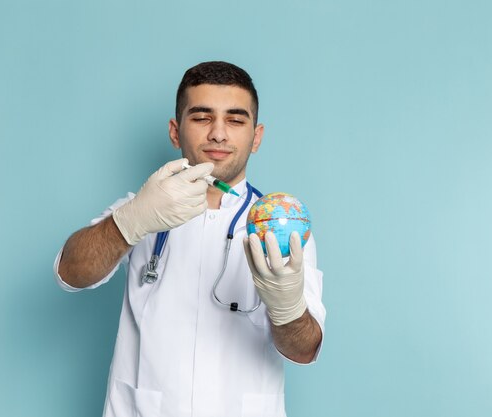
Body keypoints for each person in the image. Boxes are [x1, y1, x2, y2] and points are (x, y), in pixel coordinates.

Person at [54, 61, 326, 417]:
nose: (218, 133)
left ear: (256, 136)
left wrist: (287, 306)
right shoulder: (142, 209)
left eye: (235, 119)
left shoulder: (280, 227)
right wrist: (131, 220)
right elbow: (69, 273)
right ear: (175, 131)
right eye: (201, 117)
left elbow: (304, 350)